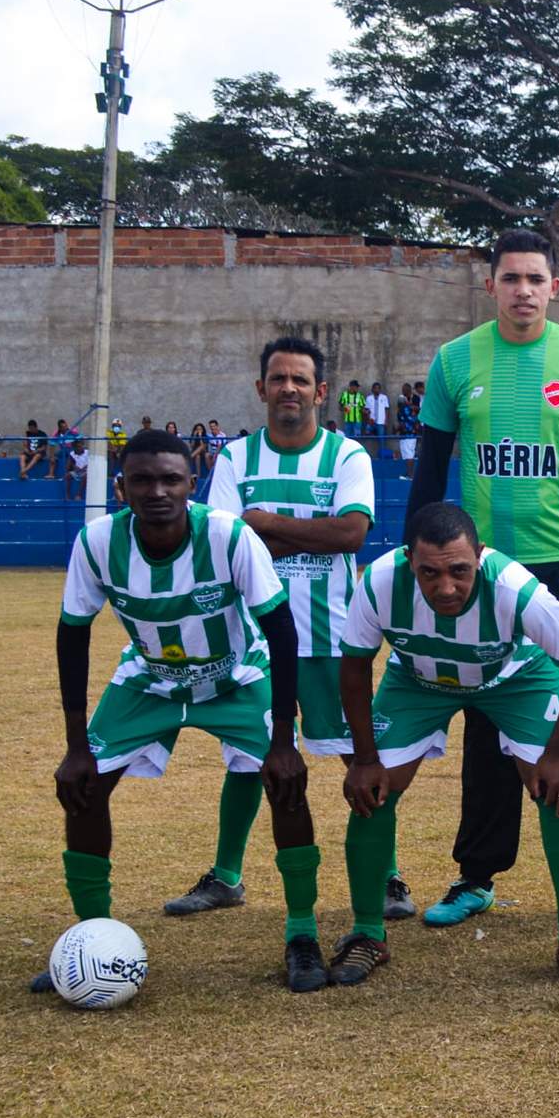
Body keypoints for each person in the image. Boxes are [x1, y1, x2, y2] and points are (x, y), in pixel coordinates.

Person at [407, 227, 559, 929]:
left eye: (535, 279)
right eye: (510, 278)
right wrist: (412, 561)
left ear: (555, 287)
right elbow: (428, 473)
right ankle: (476, 873)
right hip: (480, 571)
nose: (522, 290)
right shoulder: (456, 362)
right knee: (487, 714)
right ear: (492, 286)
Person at [32, 426, 330, 995]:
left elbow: (280, 629)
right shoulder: (96, 542)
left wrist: (284, 739)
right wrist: (74, 747)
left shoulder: (228, 535)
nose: (157, 491)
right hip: (150, 678)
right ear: (122, 488)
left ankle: (302, 934)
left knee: (286, 785)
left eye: (171, 479)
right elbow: (72, 637)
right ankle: (91, 935)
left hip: (236, 675)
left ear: (191, 485)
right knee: (85, 787)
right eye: (142, 479)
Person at [167, 337, 400, 918]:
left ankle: (389, 876)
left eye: (300, 380)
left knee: (358, 756)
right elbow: (221, 542)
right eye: (279, 379)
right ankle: (226, 876)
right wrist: (301, 527)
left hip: (329, 635)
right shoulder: (234, 459)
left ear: (321, 392)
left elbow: (351, 534)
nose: (289, 389)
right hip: (253, 642)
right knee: (249, 756)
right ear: (261, 389)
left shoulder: (347, 457)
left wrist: (265, 523)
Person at [330, 502, 559, 986]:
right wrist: (365, 759)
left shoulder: (515, 589)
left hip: (513, 678)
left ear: (480, 556)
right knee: (373, 793)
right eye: (429, 573)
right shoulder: (378, 582)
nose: (446, 587)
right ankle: (367, 934)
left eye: (460, 570)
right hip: (418, 680)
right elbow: (354, 668)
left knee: (554, 790)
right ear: (407, 560)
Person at [396, 385, 421, 478]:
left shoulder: (409, 409)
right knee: (405, 455)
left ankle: (411, 475)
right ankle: (408, 473)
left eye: (404, 390)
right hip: (403, 435)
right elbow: (400, 421)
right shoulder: (401, 410)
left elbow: (413, 420)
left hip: (410, 434)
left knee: (410, 454)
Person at [366, 381, 391, 459]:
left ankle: (382, 457)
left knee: (381, 440)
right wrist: (368, 419)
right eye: (375, 388)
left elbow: (386, 409)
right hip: (371, 421)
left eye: (378, 388)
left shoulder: (384, 397)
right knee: (366, 434)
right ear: (372, 389)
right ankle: (368, 455)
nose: (377, 390)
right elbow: (367, 410)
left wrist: (386, 420)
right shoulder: (369, 398)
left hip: (381, 422)